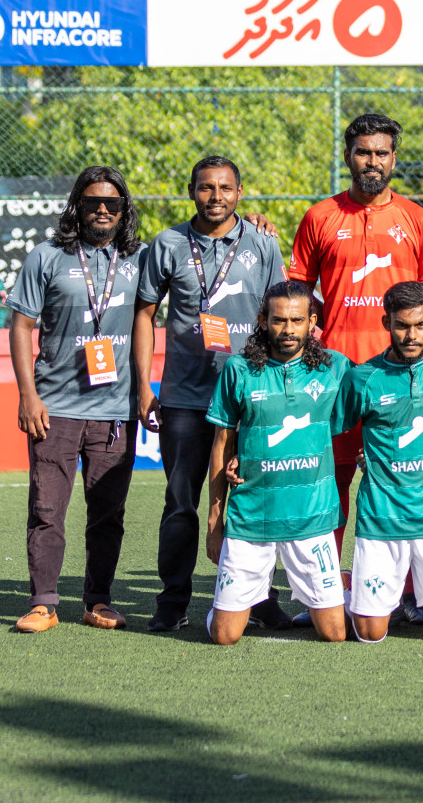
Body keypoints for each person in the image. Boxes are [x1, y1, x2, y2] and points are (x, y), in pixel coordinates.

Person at [287, 113, 423, 612]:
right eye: (363, 152)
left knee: (406, 485)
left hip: (397, 381)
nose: (371, 161)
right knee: (329, 488)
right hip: (334, 380)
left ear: (394, 158)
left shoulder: (418, 220)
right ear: (348, 156)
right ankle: (323, 594)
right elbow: (298, 292)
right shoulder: (318, 217)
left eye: (381, 152)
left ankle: (415, 594)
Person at [132, 156, 289, 632]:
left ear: (240, 192)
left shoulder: (263, 241)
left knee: (253, 501)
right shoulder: (167, 244)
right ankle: (172, 601)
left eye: (225, 187)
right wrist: (144, 385)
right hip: (184, 398)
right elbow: (144, 315)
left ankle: (257, 599)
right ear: (191, 190)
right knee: (180, 502)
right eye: (206, 187)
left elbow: (281, 313)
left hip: (250, 399)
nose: (215, 196)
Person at [5, 167, 149, 633]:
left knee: (108, 514)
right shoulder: (45, 256)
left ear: (124, 208)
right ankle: (44, 602)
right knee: (47, 510)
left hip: (114, 412)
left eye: (111, 203)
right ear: (77, 205)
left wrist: (256, 225)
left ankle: (97, 601)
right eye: (91, 202)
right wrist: (28, 395)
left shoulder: (142, 259)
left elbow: (196, 254)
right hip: (56, 407)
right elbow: (21, 327)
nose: (102, 210)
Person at [204, 280, 353, 645]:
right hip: (253, 516)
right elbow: (222, 443)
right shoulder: (238, 370)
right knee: (224, 637)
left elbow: (389, 380)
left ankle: (348, 589)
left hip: (311, 517)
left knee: (335, 635)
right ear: (262, 320)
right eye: (279, 320)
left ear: (312, 321)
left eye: (297, 320)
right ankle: (230, 605)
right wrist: (213, 518)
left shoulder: (336, 369)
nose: (287, 330)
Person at [341, 281, 423, 643]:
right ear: (386, 323)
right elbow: (327, 429)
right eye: (402, 326)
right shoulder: (362, 379)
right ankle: (350, 590)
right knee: (369, 635)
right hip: (382, 520)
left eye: (420, 325)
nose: (411, 335)